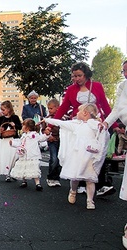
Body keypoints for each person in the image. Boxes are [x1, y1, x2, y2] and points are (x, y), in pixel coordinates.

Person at [53, 62, 116, 196]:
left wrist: (113, 124)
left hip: (96, 124)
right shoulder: (70, 89)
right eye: (74, 76)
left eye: (79, 75)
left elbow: (105, 105)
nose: (77, 79)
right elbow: (63, 107)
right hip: (79, 125)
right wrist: (52, 124)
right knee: (81, 154)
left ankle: (100, 184)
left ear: (86, 74)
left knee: (98, 153)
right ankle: (81, 182)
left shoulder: (97, 86)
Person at [45, 103, 107, 210]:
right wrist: (47, 120)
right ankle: (73, 191)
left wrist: (101, 126)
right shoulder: (76, 125)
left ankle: (90, 200)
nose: (76, 113)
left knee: (90, 179)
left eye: (78, 111)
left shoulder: (95, 124)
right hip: (77, 155)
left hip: (90, 156)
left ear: (85, 113)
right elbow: (61, 123)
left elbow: (102, 131)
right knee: (75, 177)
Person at [101, 60, 127, 246]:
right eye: (123, 71)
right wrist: (106, 123)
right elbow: (117, 109)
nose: (125, 74)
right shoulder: (123, 87)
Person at [10, 119, 47, 191]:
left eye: (23, 125)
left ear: (27, 127)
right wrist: (13, 143)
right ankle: (24, 181)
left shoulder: (34, 135)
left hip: (32, 155)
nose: (22, 126)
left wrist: (47, 135)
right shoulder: (23, 135)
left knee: (34, 168)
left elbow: (42, 138)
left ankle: (37, 183)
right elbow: (20, 143)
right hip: (23, 155)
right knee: (23, 167)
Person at [0, 101, 22, 181]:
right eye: (2, 110)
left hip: (13, 139)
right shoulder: (1, 118)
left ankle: (13, 171)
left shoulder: (15, 117)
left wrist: (14, 125)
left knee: (14, 157)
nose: (2, 112)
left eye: (3, 110)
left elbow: (20, 127)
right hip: (4, 140)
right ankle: (7, 174)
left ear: (9, 109)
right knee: (6, 157)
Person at [41, 98, 62, 187]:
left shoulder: (63, 118)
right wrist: (49, 136)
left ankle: (56, 178)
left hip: (61, 140)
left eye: (51, 108)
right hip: (52, 140)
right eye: (48, 108)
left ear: (57, 108)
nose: (49, 110)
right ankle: (51, 177)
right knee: (54, 158)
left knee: (60, 159)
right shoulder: (47, 119)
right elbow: (43, 130)